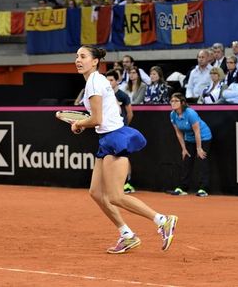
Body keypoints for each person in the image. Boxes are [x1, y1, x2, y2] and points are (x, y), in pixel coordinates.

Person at [69, 45, 178, 254]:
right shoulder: (97, 80)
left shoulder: (93, 83)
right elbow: (101, 118)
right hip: (107, 137)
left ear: (94, 61)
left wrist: (79, 124)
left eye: (83, 56)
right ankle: (127, 235)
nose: (78, 60)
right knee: (96, 193)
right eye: (76, 56)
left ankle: (162, 220)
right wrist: (85, 123)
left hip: (114, 138)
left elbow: (97, 119)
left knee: (116, 196)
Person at [169, 92, 212, 197]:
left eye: (176, 101)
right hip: (189, 139)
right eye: (171, 101)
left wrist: (199, 148)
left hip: (203, 137)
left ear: (182, 102)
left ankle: (203, 189)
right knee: (186, 161)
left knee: (202, 160)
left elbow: (197, 131)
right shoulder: (172, 114)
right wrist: (183, 149)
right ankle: (182, 188)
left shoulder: (190, 113)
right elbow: (178, 133)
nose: (173, 103)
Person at [106, 69, 135, 194]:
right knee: (111, 157)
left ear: (117, 81)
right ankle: (114, 183)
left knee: (124, 156)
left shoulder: (123, 96)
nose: (109, 82)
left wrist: (124, 126)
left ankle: (127, 183)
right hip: (109, 131)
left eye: (111, 80)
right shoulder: (105, 95)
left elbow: (130, 113)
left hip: (121, 131)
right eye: (107, 80)